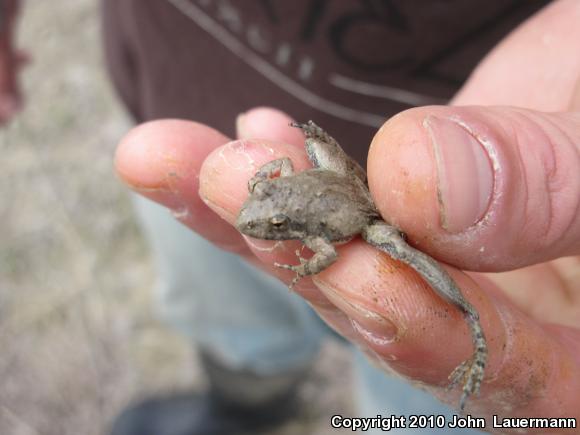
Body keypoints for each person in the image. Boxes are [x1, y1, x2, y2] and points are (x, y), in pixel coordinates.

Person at [3, 1, 580, 434]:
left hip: (385, 190)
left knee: (413, 353)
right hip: (175, 95)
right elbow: (269, 184)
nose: (258, 226)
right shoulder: (259, 207)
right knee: (228, 314)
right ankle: (247, 403)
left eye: (269, 226)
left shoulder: (316, 232)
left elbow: (330, 249)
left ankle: (461, 352)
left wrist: (308, 263)